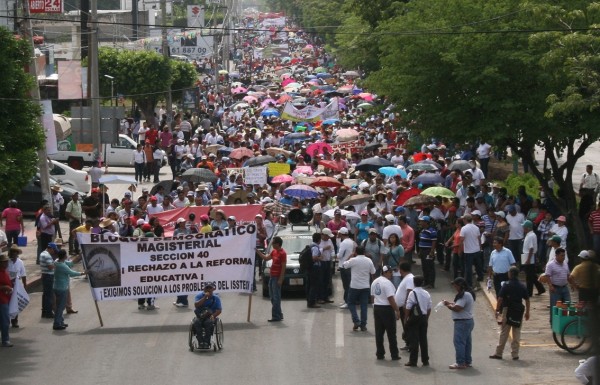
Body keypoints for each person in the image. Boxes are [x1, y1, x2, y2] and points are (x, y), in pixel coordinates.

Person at [489, 266, 530, 361]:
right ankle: (515, 354)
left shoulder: (506, 285)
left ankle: (499, 353)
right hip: (518, 310)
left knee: (504, 332)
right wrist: (527, 312)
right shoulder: (522, 285)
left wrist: (497, 310)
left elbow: (500, 299)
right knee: (516, 332)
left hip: (508, 310)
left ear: (510, 274)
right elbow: (527, 300)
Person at [443, 277, 476, 370]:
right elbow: (457, 304)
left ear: (460, 285)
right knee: (467, 342)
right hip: (467, 321)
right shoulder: (467, 294)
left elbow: (458, 308)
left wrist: (448, 306)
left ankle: (460, 362)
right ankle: (467, 361)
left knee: (459, 342)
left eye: (456, 285)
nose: (455, 287)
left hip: (462, 322)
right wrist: (449, 303)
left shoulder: (465, 295)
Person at [371, 265, 401, 361]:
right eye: (389, 272)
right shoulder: (387, 283)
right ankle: (394, 354)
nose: (391, 274)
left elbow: (372, 296)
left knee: (379, 332)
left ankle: (380, 353)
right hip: (386, 309)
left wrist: (374, 305)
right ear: (384, 272)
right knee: (391, 333)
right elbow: (390, 298)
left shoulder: (375, 281)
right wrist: (397, 310)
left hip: (377, 307)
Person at [343, 245, 376, 331]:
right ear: (364, 252)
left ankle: (356, 321)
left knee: (350, 303)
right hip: (365, 286)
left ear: (356, 252)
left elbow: (344, 265)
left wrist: (351, 256)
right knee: (364, 305)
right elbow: (373, 272)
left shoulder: (353, 260)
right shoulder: (369, 260)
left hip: (354, 286)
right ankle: (363, 324)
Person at [52, 249, 85, 331]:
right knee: (60, 307)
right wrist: (83, 273)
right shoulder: (61, 266)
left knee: (60, 305)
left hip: (58, 287)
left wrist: (80, 256)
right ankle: (56, 324)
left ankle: (60, 321)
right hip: (61, 288)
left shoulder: (58, 261)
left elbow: (70, 263)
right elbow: (72, 273)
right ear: (64, 256)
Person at [404, 275, 432, 367]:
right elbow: (429, 308)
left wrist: (406, 318)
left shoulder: (412, 293)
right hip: (423, 317)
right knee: (423, 339)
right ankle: (425, 360)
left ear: (414, 283)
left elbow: (408, 307)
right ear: (422, 283)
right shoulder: (426, 293)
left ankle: (413, 361)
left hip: (414, 318)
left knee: (414, 340)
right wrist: (426, 318)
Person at [257, 236, 286, 322]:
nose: (272, 244)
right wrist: (257, 251)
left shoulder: (282, 253)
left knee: (276, 297)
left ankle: (275, 316)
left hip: (277, 277)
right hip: (272, 276)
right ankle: (279, 313)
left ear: (278, 244)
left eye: (273, 243)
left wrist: (281, 278)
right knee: (272, 296)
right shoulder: (274, 252)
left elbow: (283, 266)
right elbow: (266, 258)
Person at [542, 247, 573, 324]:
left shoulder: (565, 263)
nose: (563, 257)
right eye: (562, 255)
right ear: (556, 255)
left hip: (565, 287)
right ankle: (554, 322)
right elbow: (547, 276)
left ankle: (566, 321)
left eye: (564, 255)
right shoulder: (550, 265)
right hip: (555, 288)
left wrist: (572, 284)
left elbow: (568, 275)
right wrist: (550, 286)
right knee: (555, 306)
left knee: (567, 304)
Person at [193, 283, 222, 349]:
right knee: (197, 323)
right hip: (200, 316)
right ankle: (200, 342)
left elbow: (219, 310)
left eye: (210, 288)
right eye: (207, 288)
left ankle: (206, 342)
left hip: (210, 316)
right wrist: (205, 297)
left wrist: (213, 315)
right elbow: (196, 305)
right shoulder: (199, 296)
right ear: (204, 289)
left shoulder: (216, 298)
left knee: (208, 323)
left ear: (213, 289)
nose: (208, 290)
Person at [522, 220, 546, 296]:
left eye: (524, 227)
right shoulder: (530, 235)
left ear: (528, 228)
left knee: (529, 276)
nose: (523, 229)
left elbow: (531, 248)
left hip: (529, 256)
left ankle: (529, 293)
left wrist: (528, 259)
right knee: (532, 275)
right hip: (528, 256)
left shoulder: (530, 236)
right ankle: (541, 289)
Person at [394, 262, 414, 351]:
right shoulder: (407, 278)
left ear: (402, 269)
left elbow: (409, 291)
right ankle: (408, 343)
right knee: (405, 325)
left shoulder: (409, 278)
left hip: (405, 307)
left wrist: (406, 304)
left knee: (408, 325)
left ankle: (411, 344)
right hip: (402, 307)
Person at [7, 245, 26, 328]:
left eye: (15, 252)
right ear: (10, 253)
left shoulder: (20, 262)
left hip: (17, 285)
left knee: (15, 303)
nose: (14, 254)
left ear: (17, 253)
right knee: (7, 303)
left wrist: (25, 285)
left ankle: (14, 321)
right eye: (12, 252)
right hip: (7, 284)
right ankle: (6, 320)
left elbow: (23, 274)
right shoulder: (7, 262)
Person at [337, 227, 355, 309]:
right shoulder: (351, 241)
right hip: (350, 264)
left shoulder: (344, 243)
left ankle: (348, 301)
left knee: (346, 285)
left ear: (341, 234)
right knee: (349, 284)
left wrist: (336, 256)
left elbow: (340, 255)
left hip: (344, 265)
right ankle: (348, 300)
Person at [417, 216, 437, 289]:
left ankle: (431, 283)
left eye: (422, 221)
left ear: (426, 222)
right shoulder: (423, 230)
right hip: (423, 250)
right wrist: (419, 251)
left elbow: (434, 241)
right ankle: (426, 281)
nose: (420, 223)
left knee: (430, 267)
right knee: (424, 267)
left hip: (428, 251)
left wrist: (432, 252)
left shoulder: (432, 231)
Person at [40, 242, 58, 318]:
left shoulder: (42, 253)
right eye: (53, 250)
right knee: (49, 295)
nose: (54, 252)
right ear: (50, 248)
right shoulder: (47, 256)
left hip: (45, 275)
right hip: (48, 276)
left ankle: (44, 311)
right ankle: (49, 312)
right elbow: (50, 267)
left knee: (45, 294)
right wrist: (56, 264)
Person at [0, 254, 13, 347]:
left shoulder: (5, 272)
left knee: (5, 320)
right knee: (5, 321)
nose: (7, 263)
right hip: (2, 300)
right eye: (5, 262)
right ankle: (5, 340)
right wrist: (4, 287)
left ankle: (5, 339)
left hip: (6, 298)